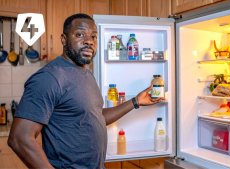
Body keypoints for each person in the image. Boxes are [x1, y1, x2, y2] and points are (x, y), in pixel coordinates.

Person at [8, 13, 163, 169]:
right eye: (80, 34)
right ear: (64, 39)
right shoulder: (50, 77)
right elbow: (20, 138)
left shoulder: (86, 73)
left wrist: (135, 101)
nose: (89, 41)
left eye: (93, 37)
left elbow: (95, 116)